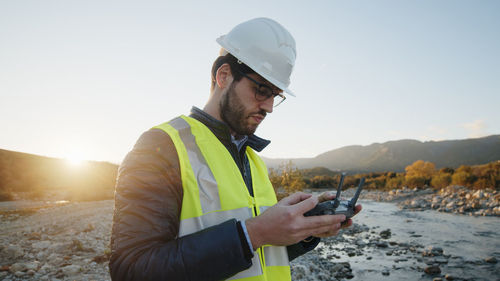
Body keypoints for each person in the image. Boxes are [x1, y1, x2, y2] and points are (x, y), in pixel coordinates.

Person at [109, 17, 362, 281]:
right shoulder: (161, 146)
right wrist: (254, 233)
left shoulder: (252, 159)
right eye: (262, 89)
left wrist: (304, 228)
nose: (269, 107)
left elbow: (260, 255)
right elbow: (131, 269)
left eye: (276, 95)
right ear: (224, 76)